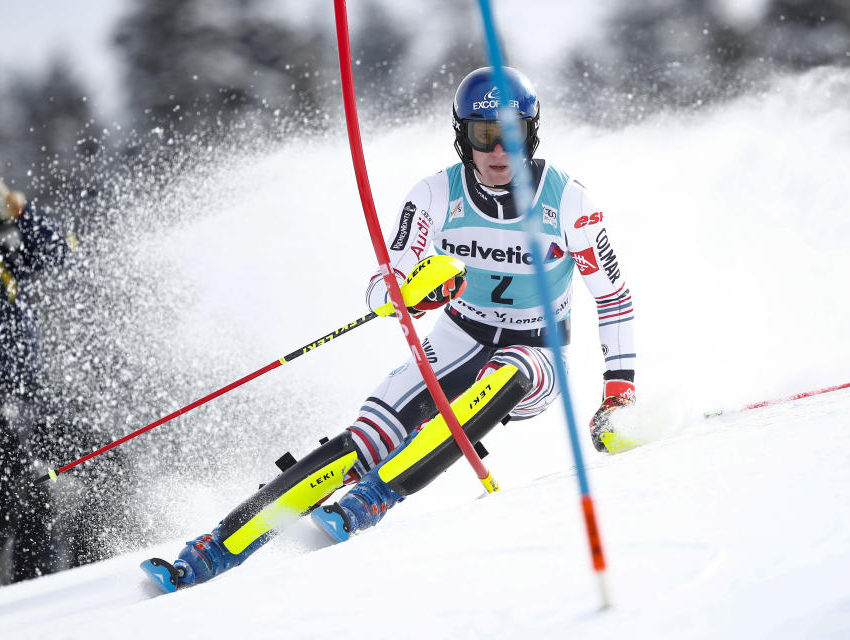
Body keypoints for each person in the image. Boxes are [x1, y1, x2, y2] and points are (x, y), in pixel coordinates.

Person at [142, 67, 637, 592]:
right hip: (459, 336)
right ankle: (215, 548)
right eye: (483, 134)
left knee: (505, 373)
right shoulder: (433, 195)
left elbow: (614, 298)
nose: (497, 151)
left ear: (532, 133)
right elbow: (384, 284)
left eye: (511, 134)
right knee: (367, 436)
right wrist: (411, 296)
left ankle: (376, 497)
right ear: (462, 135)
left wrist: (619, 393)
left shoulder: (568, 202)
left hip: (537, 350)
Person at [0, 141, 70, 594]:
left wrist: (13, 209)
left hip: (18, 385)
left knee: (24, 492)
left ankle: (33, 595)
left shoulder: (0, 232)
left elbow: (57, 253)